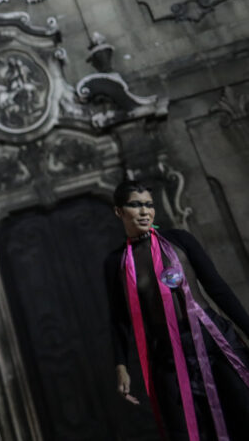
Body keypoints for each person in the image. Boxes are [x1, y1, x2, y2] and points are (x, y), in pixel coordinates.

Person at [104, 180, 249, 440]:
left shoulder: (180, 240)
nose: (144, 211)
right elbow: (119, 319)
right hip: (168, 355)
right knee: (185, 432)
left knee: (243, 414)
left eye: (149, 205)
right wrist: (121, 365)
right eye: (135, 205)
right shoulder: (116, 262)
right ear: (119, 212)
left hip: (213, 340)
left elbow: (218, 289)